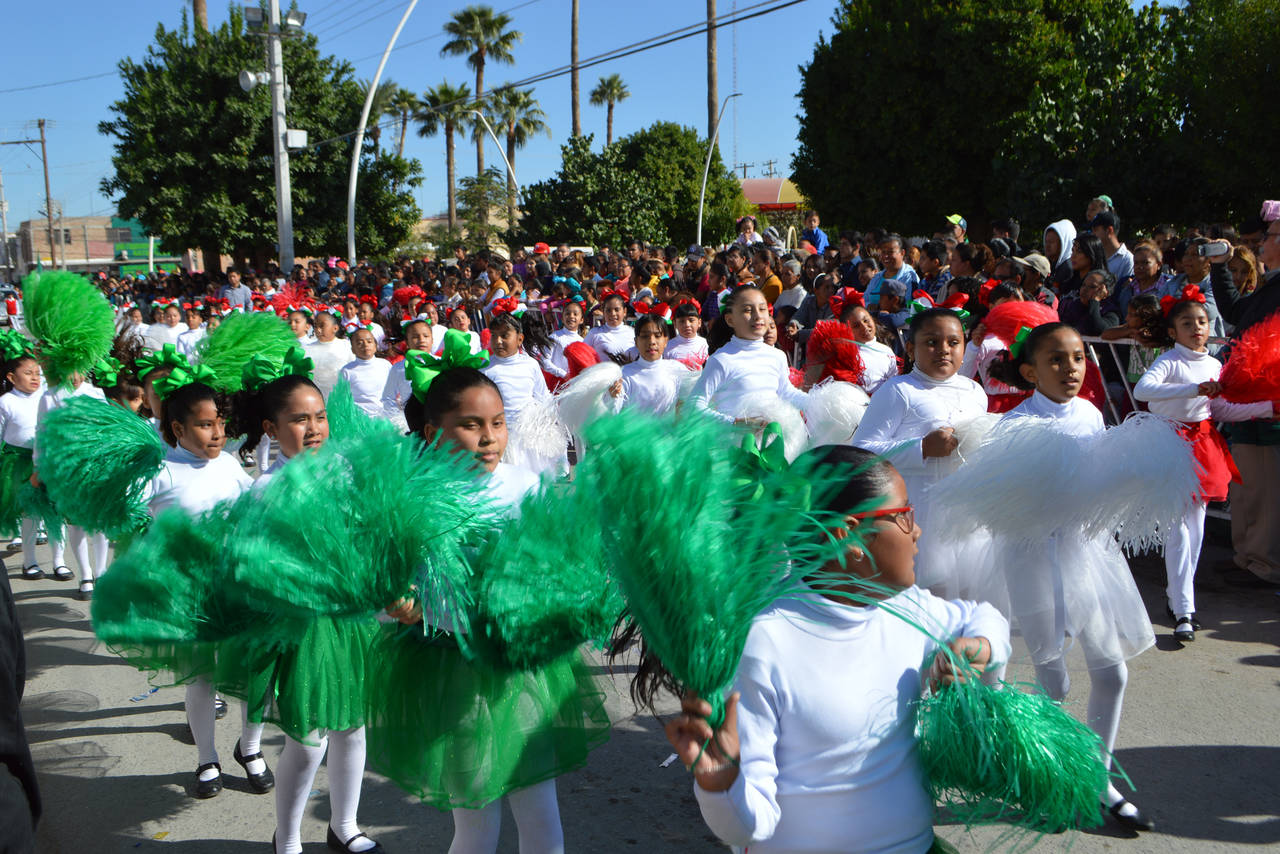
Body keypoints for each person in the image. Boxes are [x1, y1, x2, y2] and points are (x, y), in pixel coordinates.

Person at [664, 446, 1009, 854]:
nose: (917, 531)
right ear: (850, 535)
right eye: (904, 515)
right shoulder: (764, 641)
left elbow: (983, 616)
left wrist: (980, 647)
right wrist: (721, 783)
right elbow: (747, 831)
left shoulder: (904, 607)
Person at [377, 366, 608, 854]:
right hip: (456, 673)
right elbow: (390, 583)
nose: (489, 438)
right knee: (477, 824)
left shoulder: (525, 486)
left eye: (498, 423)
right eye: (471, 425)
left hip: (522, 670)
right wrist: (403, 604)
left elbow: (552, 567)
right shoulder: (414, 499)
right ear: (432, 433)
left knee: (541, 815)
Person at [982, 322, 1154, 831]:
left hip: (1087, 555)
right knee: (1052, 680)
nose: (1071, 369)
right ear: (1030, 371)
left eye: (1078, 357)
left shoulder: (1090, 413)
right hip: (1034, 559)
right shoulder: (1014, 425)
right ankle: (1049, 778)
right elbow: (1004, 506)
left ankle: (1098, 780)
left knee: (1112, 672)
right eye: (1056, 360)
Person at [231, 370, 382, 854]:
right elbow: (253, 566)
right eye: (299, 419)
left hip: (347, 620)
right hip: (301, 628)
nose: (314, 427)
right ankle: (289, 837)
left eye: (320, 416)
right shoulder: (265, 490)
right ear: (271, 429)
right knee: (309, 736)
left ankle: (345, 826)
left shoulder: (344, 473)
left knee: (352, 727)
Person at [146, 379, 272, 799]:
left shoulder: (230, 465)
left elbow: (255, 510)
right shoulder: (161, 471)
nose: (217, 433)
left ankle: (250, 747)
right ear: (177, 429)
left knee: (254, 671)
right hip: (191, 592)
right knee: (201, 677)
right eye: (204, 425)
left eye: (219, 423)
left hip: (239, 586)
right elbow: (132, 522)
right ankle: (206, 757)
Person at [1133, 290, 1276, 640]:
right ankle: (1184, 608)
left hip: (1201, 445)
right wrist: (1195, 389)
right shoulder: (1169, 361)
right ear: (1173, 331)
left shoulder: (1214, 364)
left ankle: (1179, 599)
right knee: (1179, 530)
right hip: (1167, 444)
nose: (1197, 328)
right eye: (1187, 323)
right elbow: (1143, 391)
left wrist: (1267, 407)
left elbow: (1221, 409)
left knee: (1194, 531)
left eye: (1201, 321)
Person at [851, 308, 988, 600]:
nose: (944, 350)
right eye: (932, 342)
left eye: (953, 342)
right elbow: (862, 451)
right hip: (920, 511)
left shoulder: (975, 391)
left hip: (966, 515)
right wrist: (921, 448)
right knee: (926, 591)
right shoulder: (899, 390)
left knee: (968, 590)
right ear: (912, 349)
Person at [1207, 214, 1280, 585]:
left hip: (1270, 402)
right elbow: (1236, 311)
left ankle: (1264, 563)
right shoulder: (1271, 285)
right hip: (1250, 399)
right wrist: (1220, 268)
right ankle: (1246, 556)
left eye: (1269, 235)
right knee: (1247, 481)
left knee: (1266, 484)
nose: (1261, 242)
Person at [32, 371, 109, 600]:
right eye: (69, 370)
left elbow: (108, 428)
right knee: (75, 523)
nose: (75, 376)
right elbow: (41, 432)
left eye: (80, 369)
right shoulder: (49, 396)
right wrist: (38, 466)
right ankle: (85, 574)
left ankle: (101, 572)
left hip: (94, 465)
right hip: (66, 467)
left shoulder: (96, 393)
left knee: (100, 522)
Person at [690, 284, 809, 425]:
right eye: (748, 310)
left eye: (762, 309)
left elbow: (786, 392)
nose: (758, 316)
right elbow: (694, 405)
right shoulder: (721, 360)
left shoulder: (777, 356)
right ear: (730, 320)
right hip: (733, 438)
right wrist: (735, 423)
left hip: (771, 436)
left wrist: (818, 401)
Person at [0, 353, 58, 582]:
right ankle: (30, 561)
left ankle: (59, 561)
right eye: (28, 373)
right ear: (11, 378)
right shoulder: (6, 401)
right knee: (27, 511)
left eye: (37, 373)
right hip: (18, 461)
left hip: (45, 460)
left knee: (55, 510)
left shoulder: (46, 397)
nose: (35, 377)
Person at [482, 313, 561, 476]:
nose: (498, 341)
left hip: (528, 438)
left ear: (519, 339)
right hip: (501, 436)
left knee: (532, 479)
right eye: (494, 336)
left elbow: (542, 396)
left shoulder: (530, 364)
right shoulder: (486, 368)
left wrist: (550, 421)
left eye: (504, 336)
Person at [608, 315, 690, 415]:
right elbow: (613, 413)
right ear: (636, 342)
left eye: (657, 336)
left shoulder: (678, 370)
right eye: (645, 336)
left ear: (666, 341)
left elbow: (690, 406)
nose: (651, 342)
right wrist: (612, 398)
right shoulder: (624, 375)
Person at [338, 328, 391, 419]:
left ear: (375, 345)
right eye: (359, 343)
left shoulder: (386, 365)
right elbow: (343, 398)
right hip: (360, 420)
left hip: (386, 418)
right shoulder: (347, 371)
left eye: (369, 341)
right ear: (353, 349)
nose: (365, 345)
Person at [304, 311, 353, 400]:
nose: (318, 330)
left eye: (322, 326)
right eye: (315, 326)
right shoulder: (307, 349)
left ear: (335, 328)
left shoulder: (346, 346)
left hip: (340, 398)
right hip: (316, 399)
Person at [865, 234, 920, 306]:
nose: (886, 256)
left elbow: (910, 306)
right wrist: (869, 306)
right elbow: (864, 300)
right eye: (883, 252)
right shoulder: (877, 277)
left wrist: (881, 309)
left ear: (902, 253)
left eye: (890, 252)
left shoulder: (910, 277)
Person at [582, 291, 635, 363]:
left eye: (617, 310)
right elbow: (583, 357)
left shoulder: (633, 333)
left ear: (624, 311)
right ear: (603, 312)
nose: (613, 314)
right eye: (608, 310)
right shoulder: (594, 333)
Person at [1090, 211, 1134, 281]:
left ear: (1109, 230)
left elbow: (1127, 286)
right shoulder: (1093, 255)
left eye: (1096, 230)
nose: (1092, 234)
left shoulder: (1127, 259)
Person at [664, 301, 709, 368]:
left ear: (699, 322)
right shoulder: (668, 347)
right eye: (682, 321)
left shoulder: (706, 344)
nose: (687, 325)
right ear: (675, 324)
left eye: (691, 320)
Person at [1042, 219, 1078, 289]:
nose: (1047, 246)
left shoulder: (1068, 269)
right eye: (1046, 241)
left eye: (1051, 242)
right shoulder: (1052, 264)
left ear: (1064, 243)